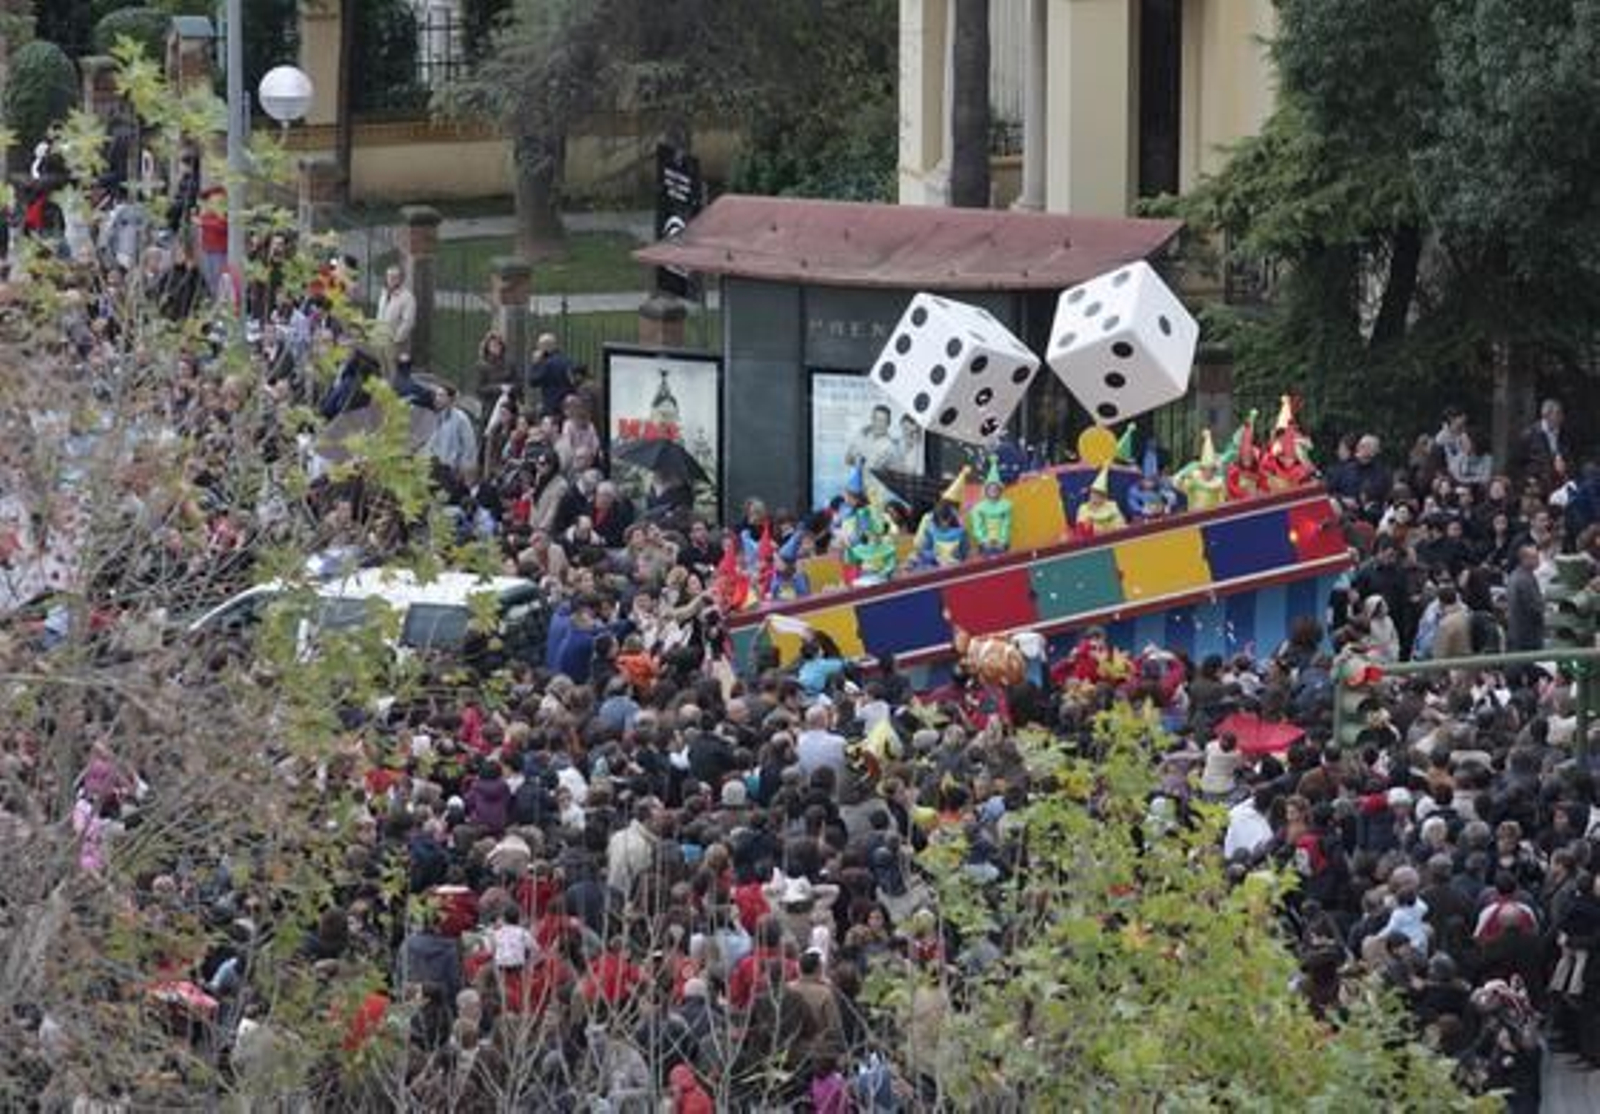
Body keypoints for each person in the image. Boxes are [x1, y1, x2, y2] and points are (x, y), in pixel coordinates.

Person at [425, 385, 479, 487]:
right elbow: (431, 444)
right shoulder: (438, 418)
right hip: (438, 470)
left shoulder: (461, 419)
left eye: (441, 395)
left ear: (450, 399)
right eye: (436, 395)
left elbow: (469, 447)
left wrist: (463, 471)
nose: (437, 399)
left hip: (454, 472)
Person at [1515, 398, 1566, 494]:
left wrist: (1564, 465)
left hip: (1558, 484)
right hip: (1535, 484)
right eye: (1557, 413)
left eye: (1561, 413)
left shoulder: (1564, 433)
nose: (1561, 417)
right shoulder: (1529, 434)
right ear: (1546, 415)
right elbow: (1517, 462)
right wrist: (1528, 479)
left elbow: (1569, 456)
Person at [967, 459, 1013, 556]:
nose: (993, 491)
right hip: (985, 544)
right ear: (986, 490)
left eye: (996, 489)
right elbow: (978, 526)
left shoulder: (1006, 505)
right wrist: (984, 540)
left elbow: (1006, 524)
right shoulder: (979, 507)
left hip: (1002, 543)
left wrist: (1002, 541)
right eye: (991, 489)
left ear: (1000, 490)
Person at [375, 265, 416, 372]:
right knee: (383, 369)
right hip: (380, 339)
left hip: (395, 343)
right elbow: (379, 314)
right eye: (389, 276)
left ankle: (393, 388)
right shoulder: (384, 293)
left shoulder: (407, 297)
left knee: (394, 371)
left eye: (395, 277)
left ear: (400, 279)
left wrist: (396, 339)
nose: (391, 279)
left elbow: (408, 322)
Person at [526, 333, 576, 420]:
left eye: (539, 347)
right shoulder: (567, 361)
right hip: (566, 405)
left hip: (551, 406)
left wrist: (535, 364)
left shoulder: (546, 364)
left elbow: (533, 381)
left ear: (545, 348)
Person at [1505, 544, 1544, 652]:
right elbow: (1535, 608)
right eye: (1534, 557)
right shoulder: (1524, 580)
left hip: (1518, 633)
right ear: (1524, 559)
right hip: (1526, 636)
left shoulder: (1517, 575)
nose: (1538, 560)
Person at [1074, 466, 1126, 537]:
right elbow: (1081, 528)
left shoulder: (1112, 505)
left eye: (1099, 494)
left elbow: (1120, 523)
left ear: (1104, 497)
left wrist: (1111, 529)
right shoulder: (1083, 508)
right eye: (1093, 493)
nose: (1095, 497)